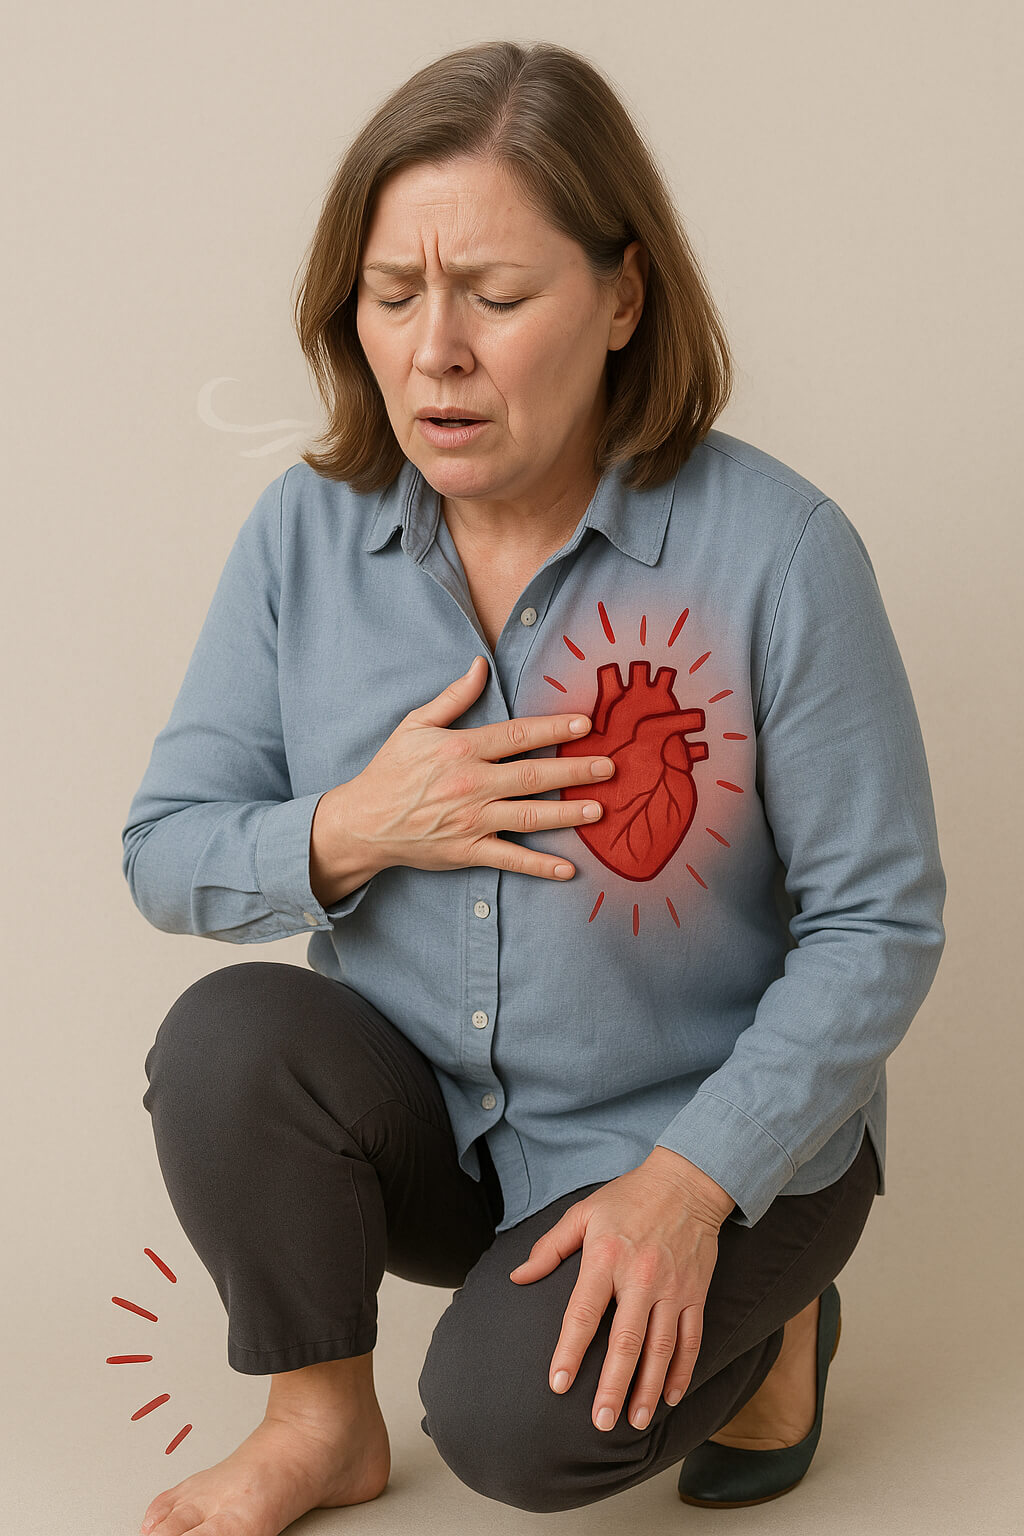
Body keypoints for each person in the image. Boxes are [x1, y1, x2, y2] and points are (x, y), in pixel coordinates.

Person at [122, 38, 946, 1535]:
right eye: (393, 297)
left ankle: (774, 1345)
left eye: (496, 299)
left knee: (513, 1431)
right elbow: (163, 852)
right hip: (441, 1122)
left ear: (623, 298)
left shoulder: (780, 554)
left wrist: (695, 1186)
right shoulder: (304, 536)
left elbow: (880, 926)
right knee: (228, 1039)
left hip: (703, 1143)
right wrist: (359, 824)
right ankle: (319, 1426)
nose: (437, 349)